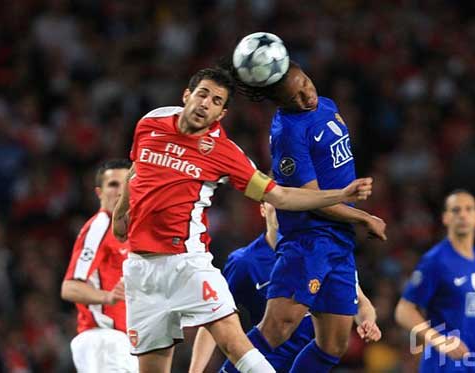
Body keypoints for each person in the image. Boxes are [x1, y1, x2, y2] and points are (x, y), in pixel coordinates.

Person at [112, 67, 374, 373]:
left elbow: (283, 197)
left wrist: (339, 195)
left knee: (234, 342)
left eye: (216, 101)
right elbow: (137, 169)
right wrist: (120, 213)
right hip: (141, 271)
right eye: (202, 94)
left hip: (187, 263)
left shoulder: (225, 153)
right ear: (187, 96)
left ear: (221, 113)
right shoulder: (150, 122)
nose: (206, 104)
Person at [224, 60, 387, 372]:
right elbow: (313, 200)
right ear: (282, 103)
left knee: (334, 344)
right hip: (310, 238)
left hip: (339, 239)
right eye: (295, 97)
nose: (306, 96)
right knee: (277, 329)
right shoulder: (288, 133)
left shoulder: (327, 106)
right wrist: (363, 217)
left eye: (306, 85)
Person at [189, 202, 382, 373]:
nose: (283, 210)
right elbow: (215, 318)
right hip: (263, 363)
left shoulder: (321, 253)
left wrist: (368, 321)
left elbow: (360, 301)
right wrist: (196, 370)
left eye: (289, 204)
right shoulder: (244, 263)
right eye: (277, 203)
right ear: (263, 209)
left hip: (310, 363)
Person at [395, 190, 475, 372]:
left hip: (471, 359)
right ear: (445, 218)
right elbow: (403, 309)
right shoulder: (436, 260)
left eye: (468, 209)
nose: (463, 214)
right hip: (441, 362)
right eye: (456, 210)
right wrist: (439, 340)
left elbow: (472, 305)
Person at [61, 159, 138, 373]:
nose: (120, 191)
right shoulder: (100, 227)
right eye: (113, 184)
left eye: (126, 183)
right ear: (99, 192)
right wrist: (108, 297)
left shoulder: (131, 231)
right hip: (104, 339)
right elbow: (70, 287)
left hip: (126, 341)